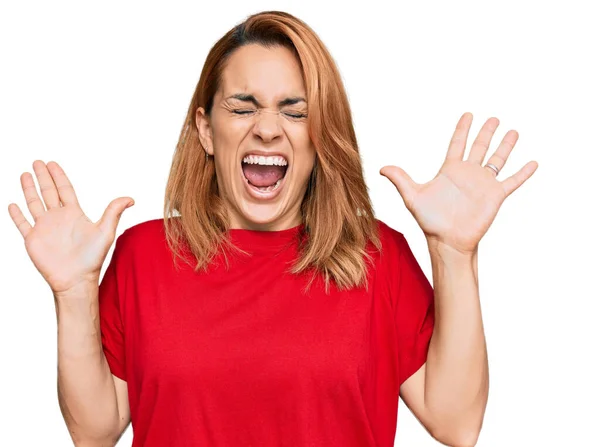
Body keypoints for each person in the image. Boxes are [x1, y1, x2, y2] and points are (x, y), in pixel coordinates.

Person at [8, 10, 538, 447]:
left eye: (295, 111)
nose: (266, 127)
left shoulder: (377, 256)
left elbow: (457, 423)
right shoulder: (145, 254)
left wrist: (454, 252)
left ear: (320, 135)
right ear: (206, 131)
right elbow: (95, 431)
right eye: (242, 107)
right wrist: (74, 292)